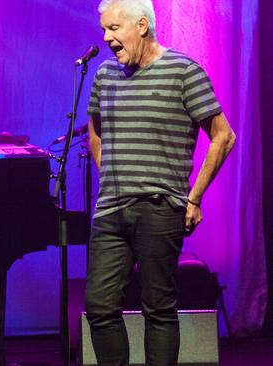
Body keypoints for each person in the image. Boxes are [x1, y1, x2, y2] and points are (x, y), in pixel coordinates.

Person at [84, 0, 235, 365]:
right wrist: (112, 173)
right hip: (111, 209)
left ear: (141, 25)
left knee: (158, 309)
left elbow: (223, 136)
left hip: (159, 208)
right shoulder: (104, 75)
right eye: (104, 30)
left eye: (113, 29)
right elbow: (94, 131)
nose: (106, 38)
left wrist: (194, 198)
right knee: (99, 306)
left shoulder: (183, 71)